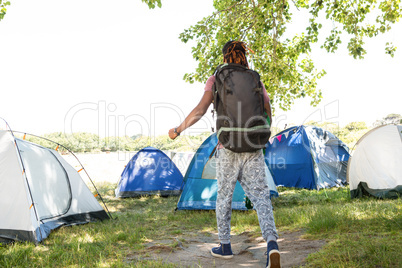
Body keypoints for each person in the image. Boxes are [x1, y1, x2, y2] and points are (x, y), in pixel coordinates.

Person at [169, 40, 280, 268]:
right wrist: (261, 132)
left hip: (227, 145)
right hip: (253, 146)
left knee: (224, 196)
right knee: (261, 197)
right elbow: (268, 108)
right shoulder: (255, 78)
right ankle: (272, 245)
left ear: (225, 56)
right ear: (243, 55)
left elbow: (200, 110)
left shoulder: (217, 78)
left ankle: (225, 246)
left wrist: (178, 130)